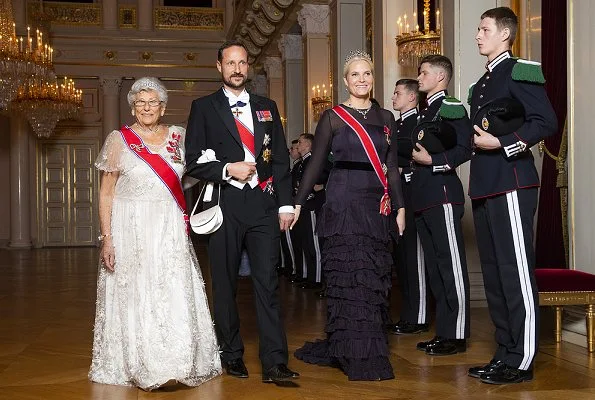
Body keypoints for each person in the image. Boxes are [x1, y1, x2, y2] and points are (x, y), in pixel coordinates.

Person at [89, 77, 221, 390]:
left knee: (172, 286)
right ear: (132, 106)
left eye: (153, 103)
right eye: (140, 102)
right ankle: (138, 361)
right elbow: (106, 192)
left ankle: (176, 360)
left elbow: (190, 176)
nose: (147, 108)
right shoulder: (118, 139)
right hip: (130, 224)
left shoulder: (179, 136)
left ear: (162, 107)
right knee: (136, 292)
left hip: (168, 223)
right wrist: (107, 238)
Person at [184, 40, 299, 384]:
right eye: (230, 63)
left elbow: (280, 158)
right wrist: (226, 169)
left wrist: (285, 203)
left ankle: (275, 362)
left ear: (248, 67)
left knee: (268, 284)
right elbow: (192, 162)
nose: (237, 69)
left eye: (242, 63)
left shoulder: (267, 106)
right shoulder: (203, 107)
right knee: (225, 284)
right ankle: (231, 354)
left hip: (263, 205)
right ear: (219, 67)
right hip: (225, 205)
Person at [291, 50, 405, 381]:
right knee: (347, 276)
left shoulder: (386, 118)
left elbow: (393, 168)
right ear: (345, 81)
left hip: (375, 204)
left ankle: (369, 348)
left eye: (366, 73)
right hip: (341, 200)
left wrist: (400, 207)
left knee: (370, 277)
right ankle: (347, 348)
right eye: (355, 74)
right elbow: (314, 164)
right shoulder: (332, 117)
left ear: (373, 77)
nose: (361, 79)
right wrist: (298, 202)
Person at [468, 7, 557, 385]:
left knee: (515, 273)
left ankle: (522, 360)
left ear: (505, 34)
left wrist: (502, 143)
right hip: (486, 186)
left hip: (512, 182)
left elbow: (546, 121)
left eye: (484, 29)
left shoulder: (521, 70)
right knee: (493, 274)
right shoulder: (480, 84)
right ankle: (504, 353)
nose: (477, 35)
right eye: (477, 29)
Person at [412, 55, 472, 356]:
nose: (419, 78)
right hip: (424, 197)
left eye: (423, 73)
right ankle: (445, 331)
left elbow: (465, 148)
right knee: (435, 268)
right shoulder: (426, 112)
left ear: (440, 77)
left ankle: (457, 333)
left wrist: (434, 162)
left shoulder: (451, 107)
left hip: (444, 193)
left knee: (451, 267)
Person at [388, 79, 429, 335]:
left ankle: (420, 315)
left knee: (414, 257)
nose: (393, 97)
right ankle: (408, 313)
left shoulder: (417, 122)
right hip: (397, 193)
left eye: (398, 93)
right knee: (402, 259)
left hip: (412, 192)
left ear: (412, 97)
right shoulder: (396, 124)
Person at [294, 133, 328, 290]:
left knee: (315, 244)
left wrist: (320, 185)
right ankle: (310, 276)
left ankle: (318, 279)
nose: (298, 145)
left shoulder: (314, 160)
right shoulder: (302, 163)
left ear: (308, 145)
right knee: (306, 243)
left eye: (300, 142)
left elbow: (325, 174)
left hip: (313, 205)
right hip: (304, 206)